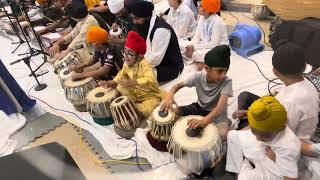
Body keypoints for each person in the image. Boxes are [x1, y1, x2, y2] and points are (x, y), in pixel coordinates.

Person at [233, 42, 320, 157]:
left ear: (275, 71)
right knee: (245, 96)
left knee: (235, 139)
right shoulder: (306, 84)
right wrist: (249, 112)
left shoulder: (290, 102)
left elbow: (274, 132)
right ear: (304, 67)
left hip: (283, 140)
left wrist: (248, 128)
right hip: (277, 119)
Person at [161, 45, 232, 141]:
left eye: (226, 71)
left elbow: (219, 108)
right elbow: (176, 86)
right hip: (199, 108)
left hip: (218, 115)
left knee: (222, 134)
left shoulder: (227, 82)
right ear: (206, 68)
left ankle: (225, 126)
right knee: (172, 112)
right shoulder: (198, 77)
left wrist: (204, 121)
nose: (223, 75)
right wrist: (169, 97)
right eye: (219, 71)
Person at [226, 96, 301, 180]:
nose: (258, 138)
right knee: (232, 135)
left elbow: (291, 178)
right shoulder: (274, 120)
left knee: (244, 178)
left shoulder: (288, 147)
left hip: (275, 165)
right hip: (267, 147)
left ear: (281, 128)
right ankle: (236, 169)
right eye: (253, 131)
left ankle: (242, 169)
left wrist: (276, 159)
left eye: (265, 135)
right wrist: (247, 113)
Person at [100, 31, 161, 118]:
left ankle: (136, 109)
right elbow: (121, 74)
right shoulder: (127, 62)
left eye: (130, 53)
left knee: (147, 110)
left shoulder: (144, 64)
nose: (125, 56)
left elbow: (150, 79)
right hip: (135, 92)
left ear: (139, 56)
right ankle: (134, 104)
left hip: (149, 95)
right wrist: (111, 82)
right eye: (125, 51)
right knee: (119, 86)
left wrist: (132, 82)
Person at [127, 1, 184, 82]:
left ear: (146, 16)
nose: (134, 22)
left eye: (137, 18)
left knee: (137, 77)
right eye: (133, 18)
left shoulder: (161, 30)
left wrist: (137, 65)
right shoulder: (147, 25)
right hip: (158, 62)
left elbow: (155, 58)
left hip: (171, 66)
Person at [180, 0, 228, 64]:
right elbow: (197, 36)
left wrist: (194, 47)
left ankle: (197, 58)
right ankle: (197, 59)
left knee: (203, 54)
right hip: (203, 44)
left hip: (217, 48)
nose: (198, 7)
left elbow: (214, 44)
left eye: (201, 6)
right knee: (182, 47)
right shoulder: (201, 18)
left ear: (207, 10)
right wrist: (191, 45)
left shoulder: (217, 21)